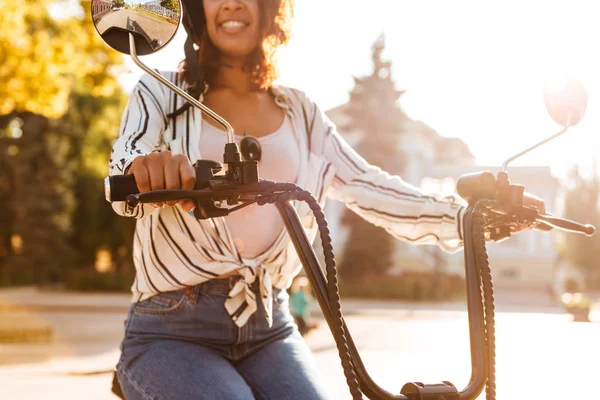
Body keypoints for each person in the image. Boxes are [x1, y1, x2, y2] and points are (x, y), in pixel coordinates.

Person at [108, 1, 545, 399]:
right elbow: (128, 155)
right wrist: (144, 169)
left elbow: (368, 186)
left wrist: (469, 218)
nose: (232, 3)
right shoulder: (163, 91)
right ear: (198, 9)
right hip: (172, 326)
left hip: (269, 326)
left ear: (268, 10)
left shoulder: (301, 110)